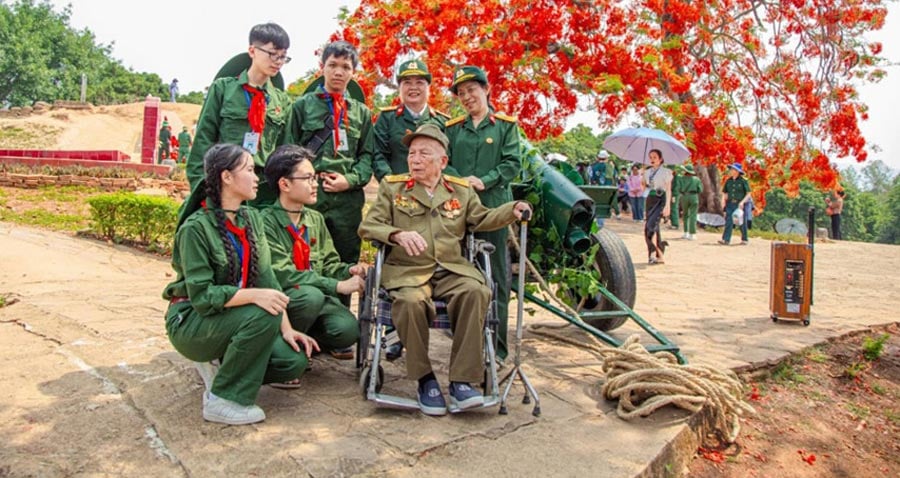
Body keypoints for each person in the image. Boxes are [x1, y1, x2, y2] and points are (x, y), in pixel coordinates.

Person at [358, 124, 532, 416]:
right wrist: (396, 235)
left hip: (451, 269)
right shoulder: (393, 187)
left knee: (477, 291)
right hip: (407, 270)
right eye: (412, 153)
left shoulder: (460, 191)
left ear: (443, 162)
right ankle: (425, 379)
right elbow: (368, 226)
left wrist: (511, 209)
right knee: (411, 303)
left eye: (424, 153)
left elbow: (482, 218)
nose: (414, 159)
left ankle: (462, 381)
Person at [162, 143, 317, 425]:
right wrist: (254, 296)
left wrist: (288, 329)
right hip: (193, 320)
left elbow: (268, 280)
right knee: (261, 311)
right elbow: (202, 296)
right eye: (249, 170)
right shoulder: (195, 228)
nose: (257, 177)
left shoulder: (252, 219)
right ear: (226, 177)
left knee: (292, 361)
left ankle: (224, 364)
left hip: (231, 316)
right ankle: (223, 399)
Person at [444, 65, 522, 361]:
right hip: (458, 211)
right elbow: (444, 162)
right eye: (461, 93)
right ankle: (465, 344)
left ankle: (498, 349)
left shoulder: (505, 126)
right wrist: (462, 182)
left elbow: (512, 163)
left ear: (486, 89)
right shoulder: (452, 129)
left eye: (472, 90)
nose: (466, 97)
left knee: (497, 279)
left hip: (493, 210)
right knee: (460, 276)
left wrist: (484, 181)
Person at [261, 145, 364, 360]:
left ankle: (306, 341)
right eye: (307, 178)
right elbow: (282, 273)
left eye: (314, 177)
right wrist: (336, 286)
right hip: (283, 303)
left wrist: (349, 271)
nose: (315, 184)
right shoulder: (265, 222)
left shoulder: (314, 219)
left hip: (313, 302)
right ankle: (281, 350)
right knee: (310, 296)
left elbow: (329, 264)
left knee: (347, 330)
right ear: (285, 184)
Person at [187, 22, 294, 206]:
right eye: (272, 53)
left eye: (283, 56)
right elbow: (203, 140)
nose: (278, 61)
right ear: (252, 51)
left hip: (262, 192)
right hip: (225, 185)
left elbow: (284, 153)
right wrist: (203, 190)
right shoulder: (223, 89)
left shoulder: (282, 102)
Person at [288, 40, 374, 266]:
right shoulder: (302, 107)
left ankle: (342, 303)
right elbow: (288, 152)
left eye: (346, 67)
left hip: (347, 202)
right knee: (307, 261)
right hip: (309, 198)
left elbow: (367, 156)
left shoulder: (362, 113)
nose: (338, 72)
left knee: (346, 265)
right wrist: (304, 180)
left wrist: (350, 180)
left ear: (353, 72)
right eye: (333, 64)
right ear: (322, 67)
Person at [373, 59, 450, 182]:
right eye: (407, 83)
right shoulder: (387, 118)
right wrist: (391, 183)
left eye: (419, 82)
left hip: (434, 193)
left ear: (428, 87)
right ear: (400, 88)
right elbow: (378, 154)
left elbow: (448, 160)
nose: (413, 88)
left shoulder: (443, 122)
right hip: (397, 191)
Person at [643, 150, 673, 264]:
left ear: (660, 159)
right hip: (650, 199)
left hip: (661, 199)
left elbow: (669, 190)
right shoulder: (647, 172)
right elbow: (645, 188)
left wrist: (667, 206)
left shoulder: (666, 172)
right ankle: (659, 254)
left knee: (650, 227)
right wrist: (642, 178)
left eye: (655, 157)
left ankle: (653, 253)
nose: (652, 159)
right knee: (653, 227)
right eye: (650, 157)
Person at [718, 163, 751, 245]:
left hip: (739, 203)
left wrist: (742, 202)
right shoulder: (728, 181)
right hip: (730, 203)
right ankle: (726, 239)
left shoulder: (743, 181)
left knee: (741, 221)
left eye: (733, 169)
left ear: (737, 171)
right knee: (729, 221)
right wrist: (723, 201)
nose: (731, 171)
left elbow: (748, 194)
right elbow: (725, 193)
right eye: (731, 169)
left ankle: (744, 239)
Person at [678, 164, 702, 240]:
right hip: (694, 196)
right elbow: (700, 190)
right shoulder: (697, 179)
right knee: (693, 215)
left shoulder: (681, 179)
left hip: (684, 196)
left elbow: (679, 188)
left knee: (685, 215)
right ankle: (693, 233)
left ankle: (686, 232)